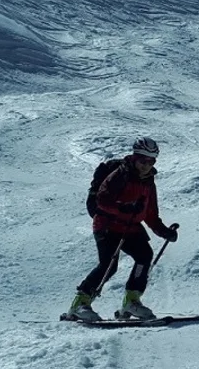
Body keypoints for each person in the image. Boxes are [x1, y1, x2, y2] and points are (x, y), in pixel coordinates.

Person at [68, 137, 179, 322]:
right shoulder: (119, 175)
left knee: (144, 256)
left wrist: (164, 231)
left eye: (151, 161)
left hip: (130, 227)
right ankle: (80, 303)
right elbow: (102, 200)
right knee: (108, 265)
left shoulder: (148, 182)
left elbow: (150, 214)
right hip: (106, 224)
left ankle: (131, 302)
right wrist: (123, 208)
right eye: (143, 160)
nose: (146, 165)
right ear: (135, 157)